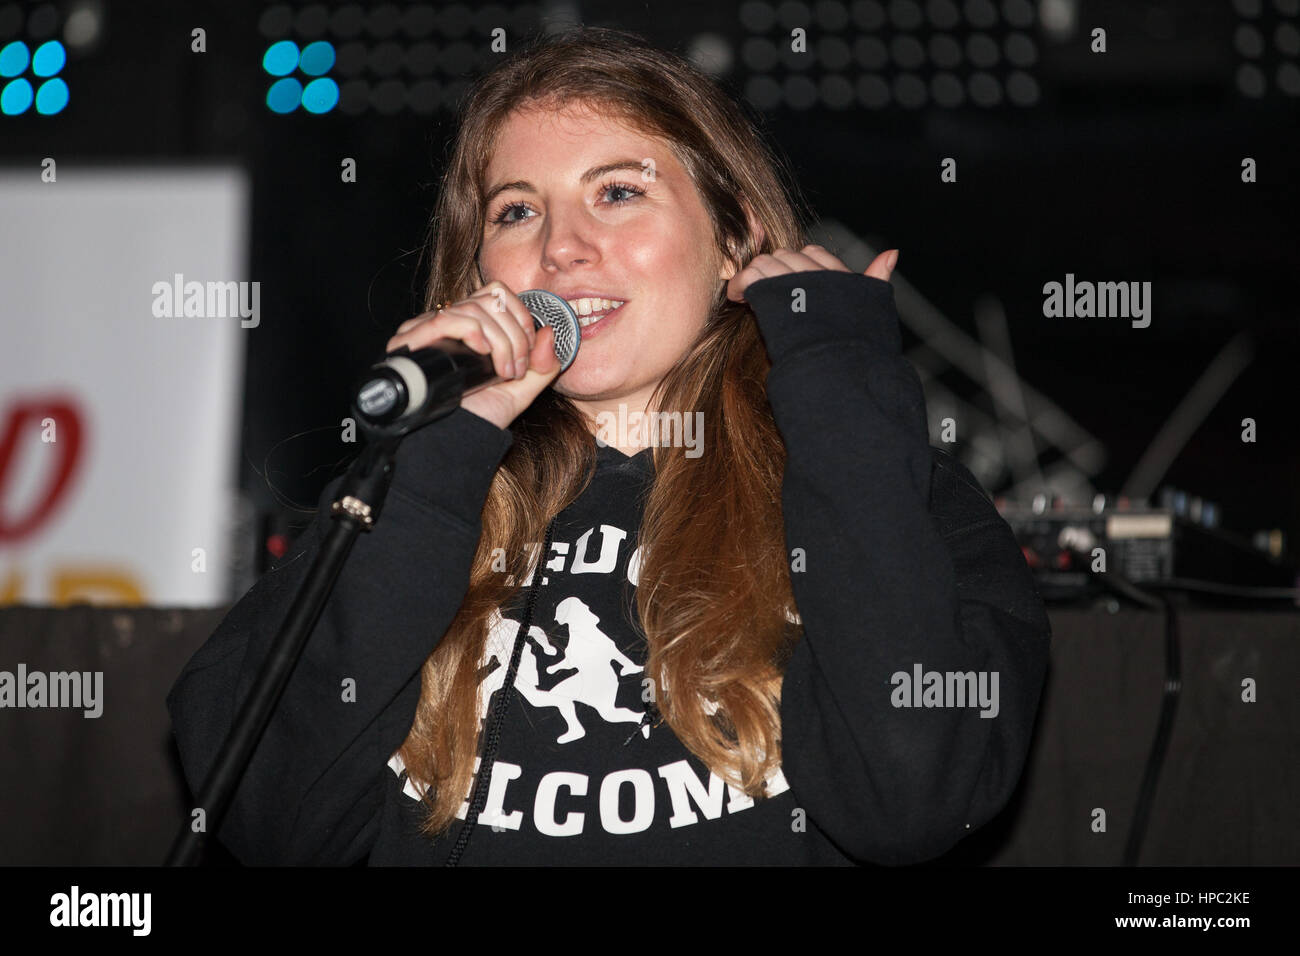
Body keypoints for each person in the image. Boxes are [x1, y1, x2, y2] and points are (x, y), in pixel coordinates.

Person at [167, 26, 1052, 866]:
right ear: (481, 274)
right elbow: (265, 817)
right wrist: (434, 455)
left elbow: (915, 797)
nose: (561, 248)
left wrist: (839, 384)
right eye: (517, 212)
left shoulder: (870, 480)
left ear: (733, 237)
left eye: (618, 192)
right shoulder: (412, 498)